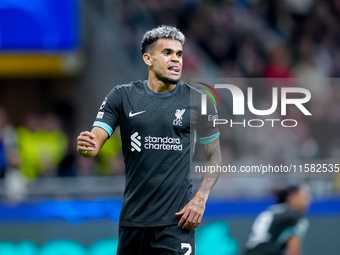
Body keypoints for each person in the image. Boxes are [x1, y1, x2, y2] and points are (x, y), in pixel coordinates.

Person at [77, 25, 221, 254]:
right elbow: (94, 144)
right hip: (133, 223)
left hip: (177, 223)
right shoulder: (122, 96)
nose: (176, 60)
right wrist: (87, 146)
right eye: (167, 53)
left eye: (179, 54)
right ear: (148, 58)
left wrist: (200, 199)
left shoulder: (199, 101)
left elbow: (214, 157)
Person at [243, 184, 311, 255]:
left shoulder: (271, 210)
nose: (308, 201)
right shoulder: (295, 216)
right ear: (292, 198)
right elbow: (293, 251)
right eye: (304, 197)